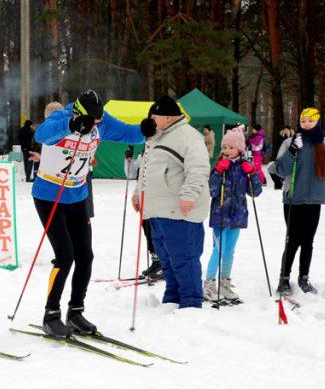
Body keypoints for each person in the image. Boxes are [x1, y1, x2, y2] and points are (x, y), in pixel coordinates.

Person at [35, 90, 145, 336]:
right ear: (79, 112)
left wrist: (146, 127)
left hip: (77, 196)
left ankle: (75, 312)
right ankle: (51, 313)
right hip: (49, 196)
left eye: (100, 119)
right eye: (93, 119)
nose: (98, 123)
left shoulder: (101, 122)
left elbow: (130, 133)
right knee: (65, 257)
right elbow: (41, 134)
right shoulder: (61, 117)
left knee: (86, 256)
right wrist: (71, 124)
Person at [131, 95, 211, 310]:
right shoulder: (155, 137)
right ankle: (173, 298)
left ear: (168, 117)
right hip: (156, 210)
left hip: (179, 210)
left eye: (154, 116)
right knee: (167, 260)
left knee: (184, 258)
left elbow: (199, 169)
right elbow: (146, 169)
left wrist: (189, 195)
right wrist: (138, 192)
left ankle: (191, 303)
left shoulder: (188, 136)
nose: (150, 120)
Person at [270, 108, 325, 296]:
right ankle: (284, 279)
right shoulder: (290, 142)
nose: (306, 124)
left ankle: (304, 277)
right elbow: (279, 169)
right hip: (293, 199)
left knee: (308, 241)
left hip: (314, 199)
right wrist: (293, 151)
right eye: (303, 121)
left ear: (317, 122)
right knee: (292, 240)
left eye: (310, 121)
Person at [203, 127, 262, 303]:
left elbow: (255, 192)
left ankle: (225, 283)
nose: (227, 151)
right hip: (220, 214)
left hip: (237, 215)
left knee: (229, 251)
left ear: (240, 149)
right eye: (225, 147)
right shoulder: (220, 166)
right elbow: (212, 190)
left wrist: (252, 173)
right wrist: (218, 171)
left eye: (231, 147)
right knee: (218, 249)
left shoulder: (245, 167)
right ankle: (209, 284)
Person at [124, 145, 161, 281]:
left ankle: (165, 262)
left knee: (158, 231)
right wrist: (129, 160)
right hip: (145, 197)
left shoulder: (163, 149)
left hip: (160, 198)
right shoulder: (142, 154)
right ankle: (156, 261)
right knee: (148, 230)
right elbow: (132, 174)